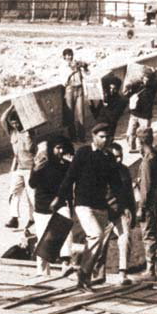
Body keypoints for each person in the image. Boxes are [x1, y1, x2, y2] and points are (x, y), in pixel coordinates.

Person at [55, 123, 122, 291]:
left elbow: (116, 184)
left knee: (98, 244)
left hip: (101, 206)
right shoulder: (83, 153)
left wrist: (124, 205)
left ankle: (81, 272)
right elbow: (70, 177)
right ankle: (83, 275)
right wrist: (59, 197)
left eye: (108, 137)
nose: (105, 140)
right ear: (94, 137)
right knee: (96, 235)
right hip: (83, 204)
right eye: (102, 137)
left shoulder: (109, 157)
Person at [28, 135, 74, 277]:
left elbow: (68, 187)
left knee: (66, 226)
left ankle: (66, 262)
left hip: (59, 204)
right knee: (44, 241)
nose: (60, 151)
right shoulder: (42, 163)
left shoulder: (66, 166)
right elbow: (32, 184)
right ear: (51, 149)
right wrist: (35, 170)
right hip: (42, 207)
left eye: (62, 148)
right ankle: (42, 273)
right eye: (57, 148)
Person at [135, 127, 157, 280]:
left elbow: (145, 187)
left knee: (148, 235)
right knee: (153, 232)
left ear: (140, 141)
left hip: (148, 202)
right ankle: (154, 268)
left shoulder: (147, 162)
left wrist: (141, 207)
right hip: (155, 198)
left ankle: (150, 270)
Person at [0, 105, 36, 231]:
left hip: (31, 168)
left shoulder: (30, 132)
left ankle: (32, 219)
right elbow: (3, 119)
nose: (15, 124)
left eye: (17, 122)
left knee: (31, 196)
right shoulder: (12, 132)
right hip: (19, 168)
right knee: (14, 192)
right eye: (13, 122)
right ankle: (14, 218)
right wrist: (12, 105)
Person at [105, 142, 137, 286]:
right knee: (99, 244)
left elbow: (129, 193)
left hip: (121, 211)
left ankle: (123, 272)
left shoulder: (124, 170)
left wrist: (133, 212)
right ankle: (93, 272)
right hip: (105, 212)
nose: (119, 160)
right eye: (115, 157)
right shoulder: (102, 171)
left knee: (125, 239)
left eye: (121, 156)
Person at [123, 66, 157, 152]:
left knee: (143, 136)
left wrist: (155, 70)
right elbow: (127, 95)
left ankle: (141, 150)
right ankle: (132, 148)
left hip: (145, 116)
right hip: (134, 114)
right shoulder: (137, 86)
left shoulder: (152, 88)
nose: (146, 81)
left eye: (148, 79)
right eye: (145, 79)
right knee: (130, 133)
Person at [62, 48, 89, 142]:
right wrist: (73, 70)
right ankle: (73, 137)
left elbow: (87, 74)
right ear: (64, 57)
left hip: (79, 89)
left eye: (70, 55)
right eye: (67, 55)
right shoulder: (63, 67)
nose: (69, 57)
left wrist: (84, 67)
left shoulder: (77, 64)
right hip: (70, 90)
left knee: (81, 114)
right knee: (70, 114)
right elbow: (64, 81)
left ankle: (82, 136)